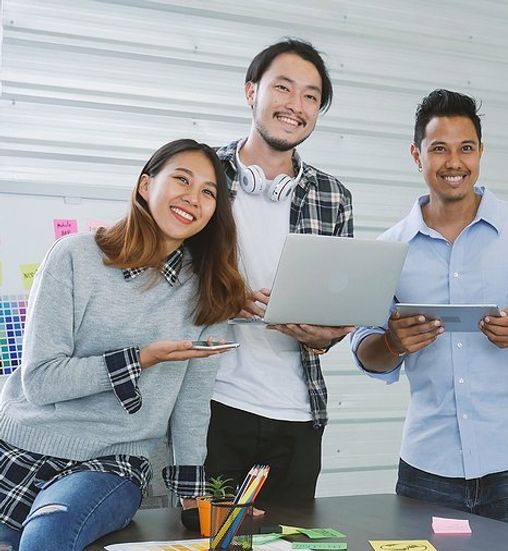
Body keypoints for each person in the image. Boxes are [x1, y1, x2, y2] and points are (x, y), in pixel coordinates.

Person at [351, 89, 508, 533]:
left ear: (481, 153)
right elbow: (365, 350)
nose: (454, 162)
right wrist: (390, 342)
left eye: (466, 148)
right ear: (415, 155)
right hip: (429, 466)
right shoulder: (389, 248)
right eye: (438, 148)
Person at [0, 139, 247, 551]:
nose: (193, 198)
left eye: (209, 192)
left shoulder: (210, 292)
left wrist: (192, 494)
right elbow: (41, 382)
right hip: (19, 446)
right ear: (145, 186)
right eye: (182, 180)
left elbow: (191, 405)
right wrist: (141, 359)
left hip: (112, 463)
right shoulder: (74, 256)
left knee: (46, 539)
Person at [205, 39, 354, 507]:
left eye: (311, 96)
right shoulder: (201, 174)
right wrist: (221, 299)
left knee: (291, 541)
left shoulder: (334, 197)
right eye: (283, 88)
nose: (296, 105)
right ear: (252, 92)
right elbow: (159, 284)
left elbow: (337, 313)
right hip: (211, 406)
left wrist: (324, 334)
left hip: (298, 412)